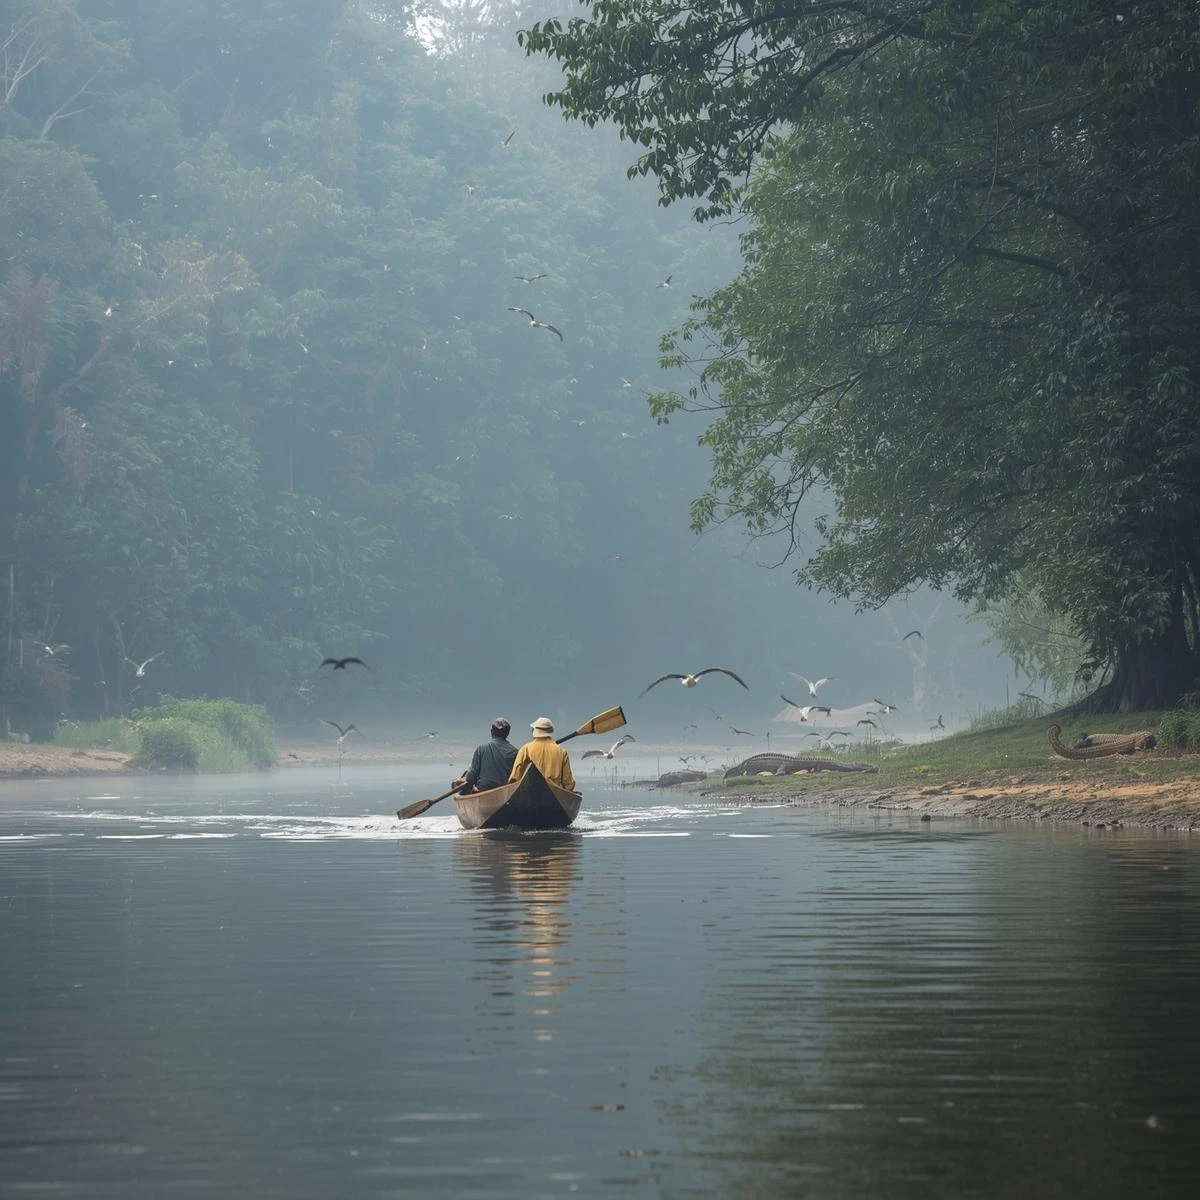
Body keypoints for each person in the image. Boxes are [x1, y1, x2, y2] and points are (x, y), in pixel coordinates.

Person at [509, 716, 576, 792]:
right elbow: (568, 783)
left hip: (530, 794)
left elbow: (515, 778)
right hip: (554, 795)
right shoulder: (562, 752)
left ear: (534, 731)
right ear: (550, 731)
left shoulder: (525, 749)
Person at [453, 718, 518, 794]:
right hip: (505, 792)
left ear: (491, 731)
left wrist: (458, 782)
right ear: (507, 733)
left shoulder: (481, 748)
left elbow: (471, 778)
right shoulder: (515, 752)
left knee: (465, 788)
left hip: (482, 790)